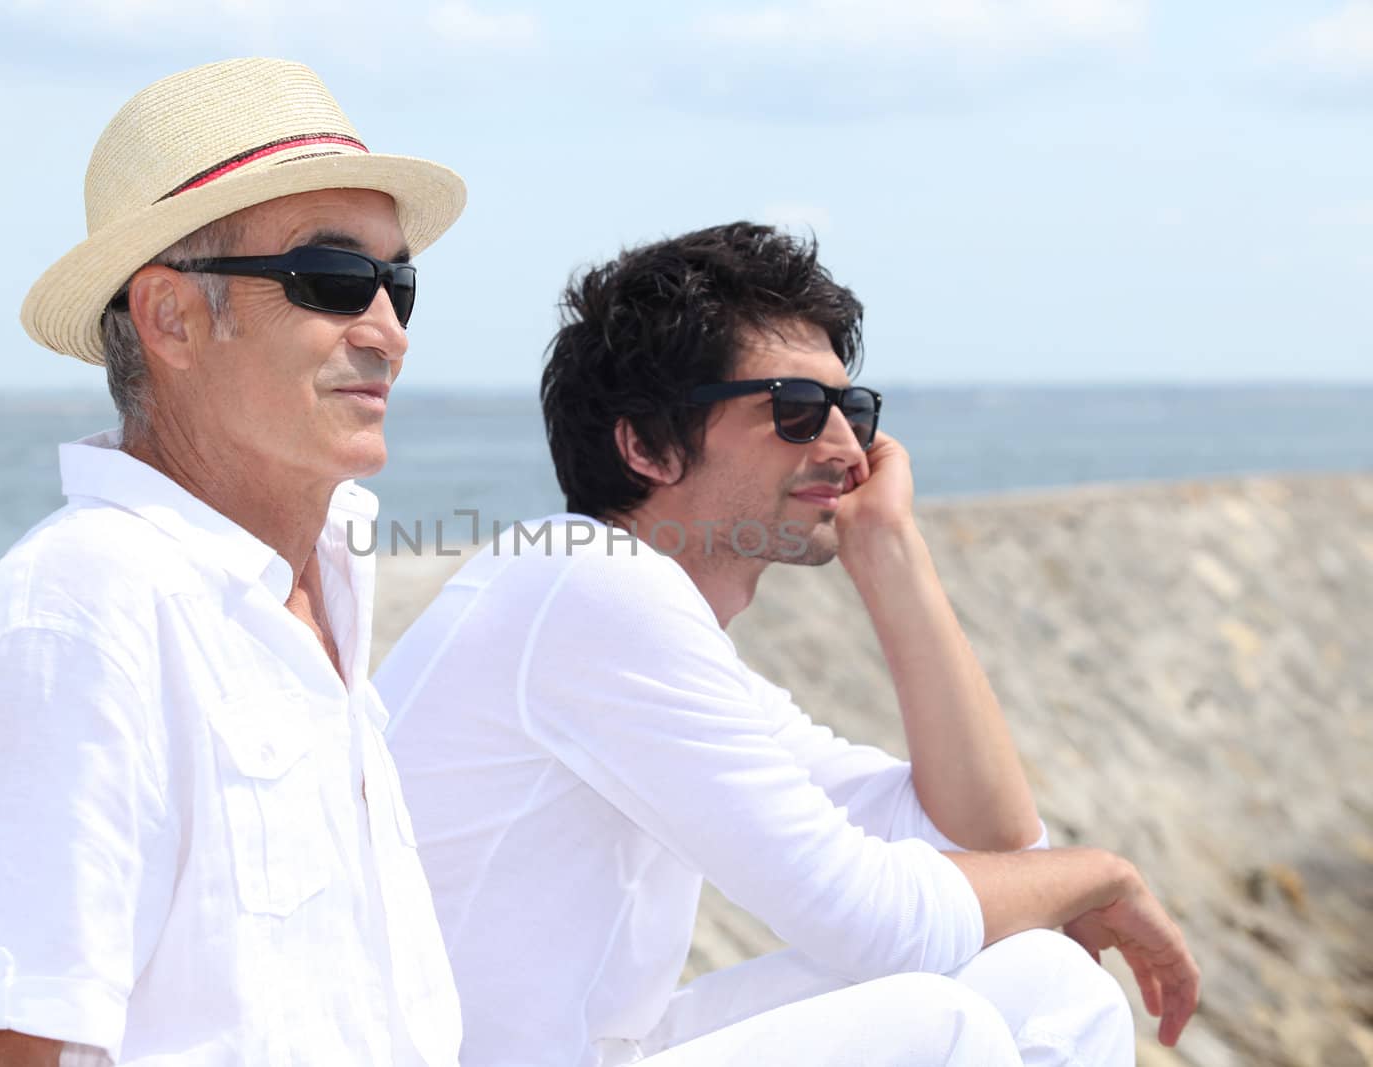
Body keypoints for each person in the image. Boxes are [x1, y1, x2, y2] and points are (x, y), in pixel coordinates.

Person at [377, 222, 1201, 1066]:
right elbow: (864, 918)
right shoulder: (581, 582)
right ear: (648, 445)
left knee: (1044, 979)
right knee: (942, 1024)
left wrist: (890, 551)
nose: (848, 451)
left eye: (856, 411)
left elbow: (987, 850)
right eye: (797, 412)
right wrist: (1102, 871)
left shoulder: (654, 631)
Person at [0, 58, 467, 1066]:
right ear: (170, 316)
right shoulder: (77, 619)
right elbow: (3, 1051)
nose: (387, 330)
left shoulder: (319, 585)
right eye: (337, 279)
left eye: (400, 284)